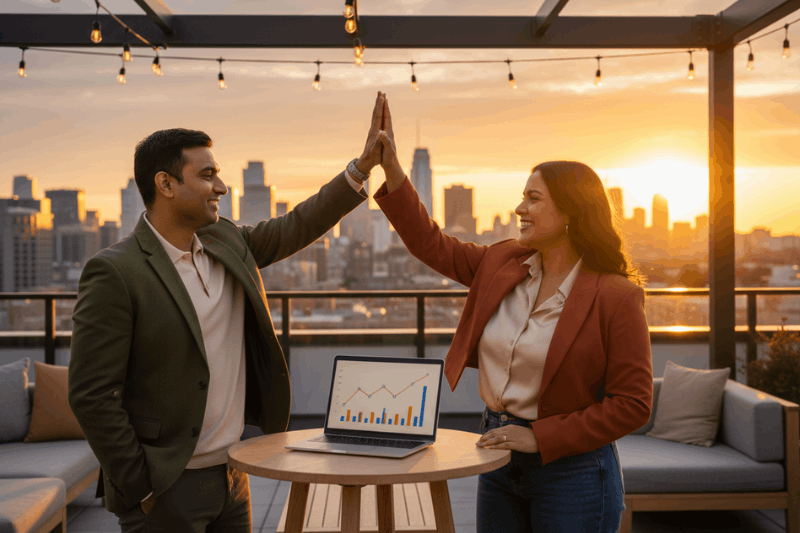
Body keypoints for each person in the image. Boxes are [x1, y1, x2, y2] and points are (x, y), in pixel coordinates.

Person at [67, 92, 390, 533]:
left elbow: (296, 225)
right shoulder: (115, 273)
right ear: (165, 185)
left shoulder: (227, 241)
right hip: (164, 489)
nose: (221, 187)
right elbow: (91, 394)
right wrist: (140, 485)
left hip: (233, 476)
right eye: (207, 176)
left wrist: (361, 167)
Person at [372, 99, 652, 533]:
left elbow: (633, 405)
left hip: (572, 473)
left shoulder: (615, 297)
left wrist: (540, 437)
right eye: (522, 197)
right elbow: (433, 245)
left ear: (569, 213)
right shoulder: (503, 261)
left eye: (533, 199)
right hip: (497, 455)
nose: (520, 208)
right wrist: (392, 171)